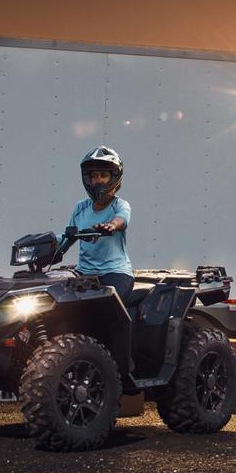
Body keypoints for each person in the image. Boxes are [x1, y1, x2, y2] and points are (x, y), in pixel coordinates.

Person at [70, 145, 136, 390]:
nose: (97, 180)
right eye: (93, 175)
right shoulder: (80, 208)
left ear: (114, 178)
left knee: (112, 309)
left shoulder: (120, 205)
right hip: (84, 273)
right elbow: (68, 235)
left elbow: (122, 221)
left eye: (103, 175)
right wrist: (44, 246)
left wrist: (111, 225)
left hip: (116, 272)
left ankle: (122, 370)